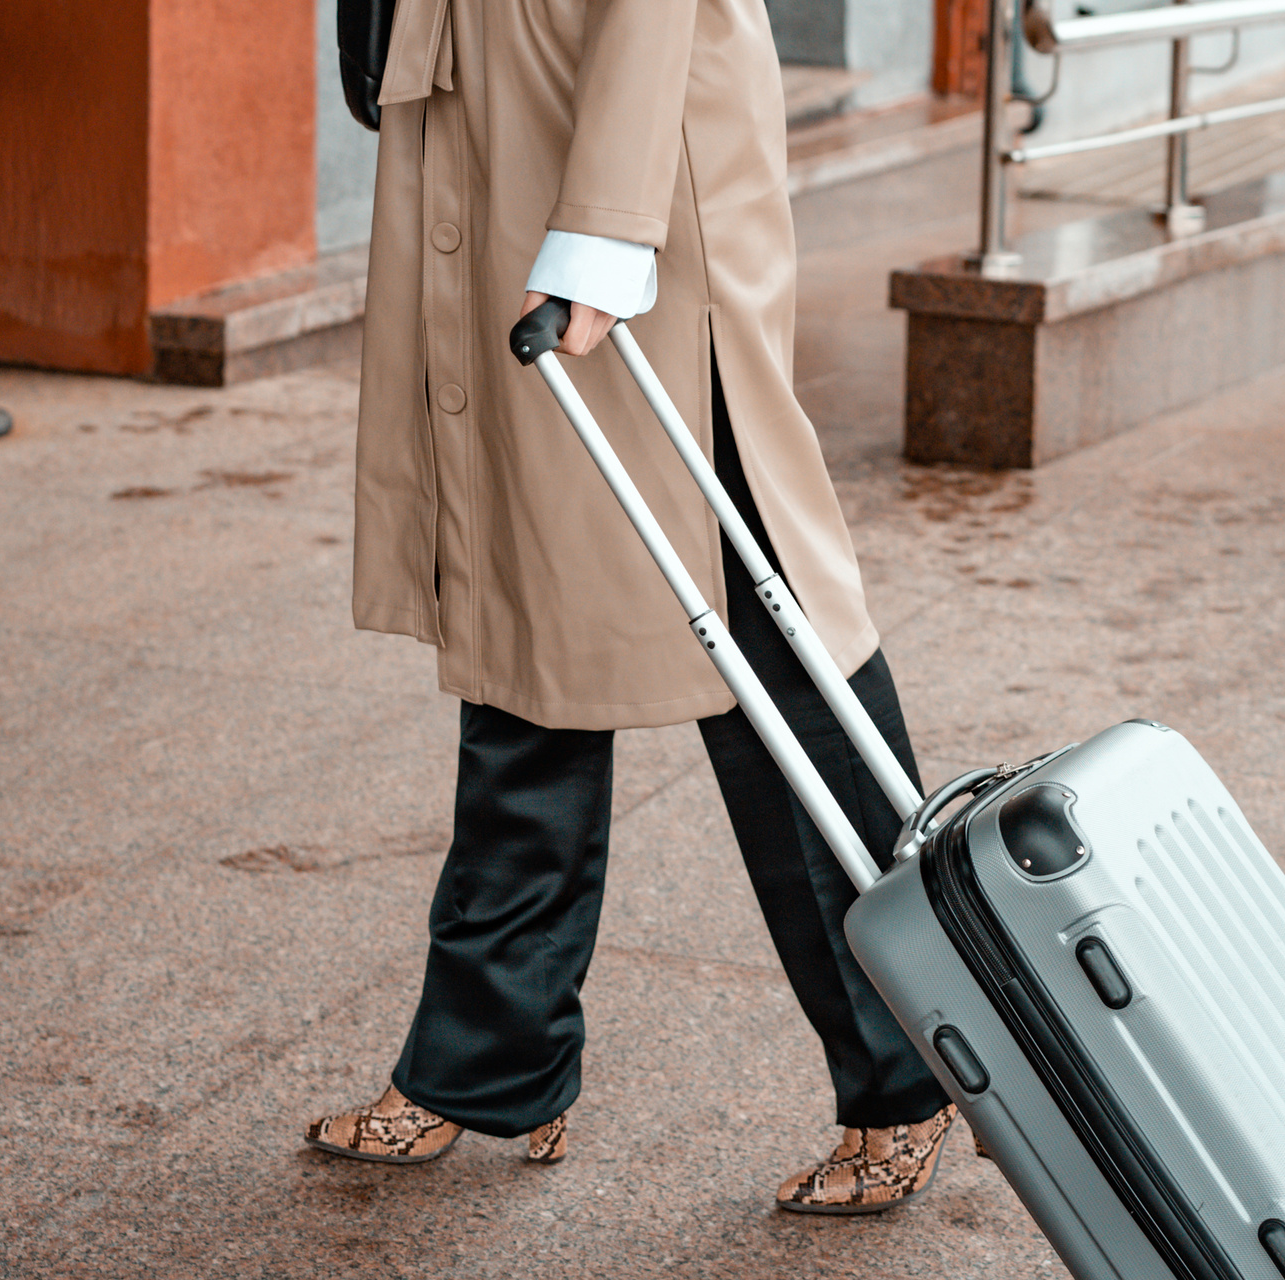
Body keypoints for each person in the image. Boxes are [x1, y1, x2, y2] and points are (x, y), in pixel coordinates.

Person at [303, 0, 958, 1212]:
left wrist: (603, 234)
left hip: (624, 172)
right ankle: (490, 1061)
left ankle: (908, 1067)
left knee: (760, 626)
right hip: (500, 127)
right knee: (525, 613)